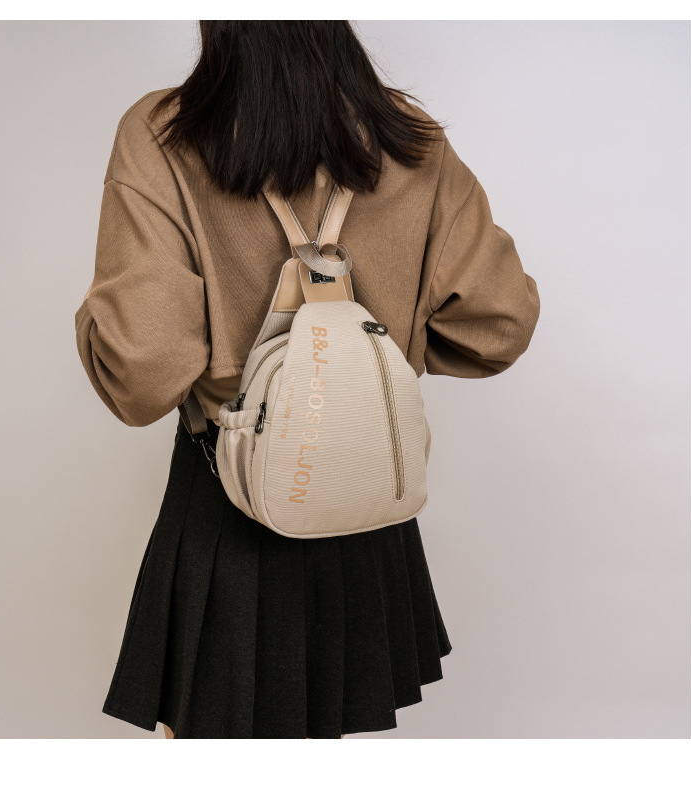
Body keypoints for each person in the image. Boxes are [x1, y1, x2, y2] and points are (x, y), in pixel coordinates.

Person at [75, 20, 540, 739]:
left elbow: (144, 367)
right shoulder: (409, 138)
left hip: (229, 500)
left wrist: (96, 325)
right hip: (368, 493)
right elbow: (498, 322)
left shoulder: (165, 133)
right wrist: (386, 336)